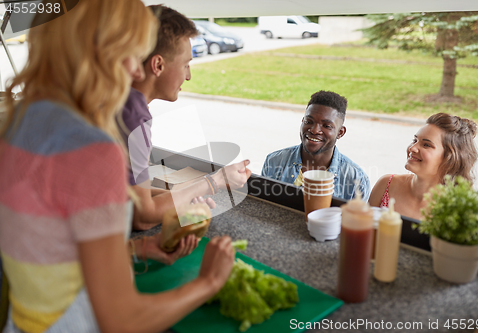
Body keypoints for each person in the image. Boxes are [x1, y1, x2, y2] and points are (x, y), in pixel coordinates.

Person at [0, 1, 235, 332]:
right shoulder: (92, 151)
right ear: (98, 51)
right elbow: (122, 320)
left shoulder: (18, 122)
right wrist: (209, 281)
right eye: (130, 54)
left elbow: (49, 246)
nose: (137, 72)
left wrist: (137, 248)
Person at [117, 5, 251, 231]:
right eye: (185, 65)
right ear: (158, 65)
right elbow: (142, 216)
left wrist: (181, 200)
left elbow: (129, 194)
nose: (188, 76)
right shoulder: (133, 117)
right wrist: (215, 182)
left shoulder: (117, 98)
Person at [261, 90, 370, 200]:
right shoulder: (274, 162)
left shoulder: (357, 180)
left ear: (340, 132)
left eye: (326, 126)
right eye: (309, 122)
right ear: (302, 121)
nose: (314, 130)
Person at [368, 113, 478, 220]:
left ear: (450, 158)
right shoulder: (386, 184)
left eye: (426, 145)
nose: (412, 148)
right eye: (415, 140)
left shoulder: (456, 209)